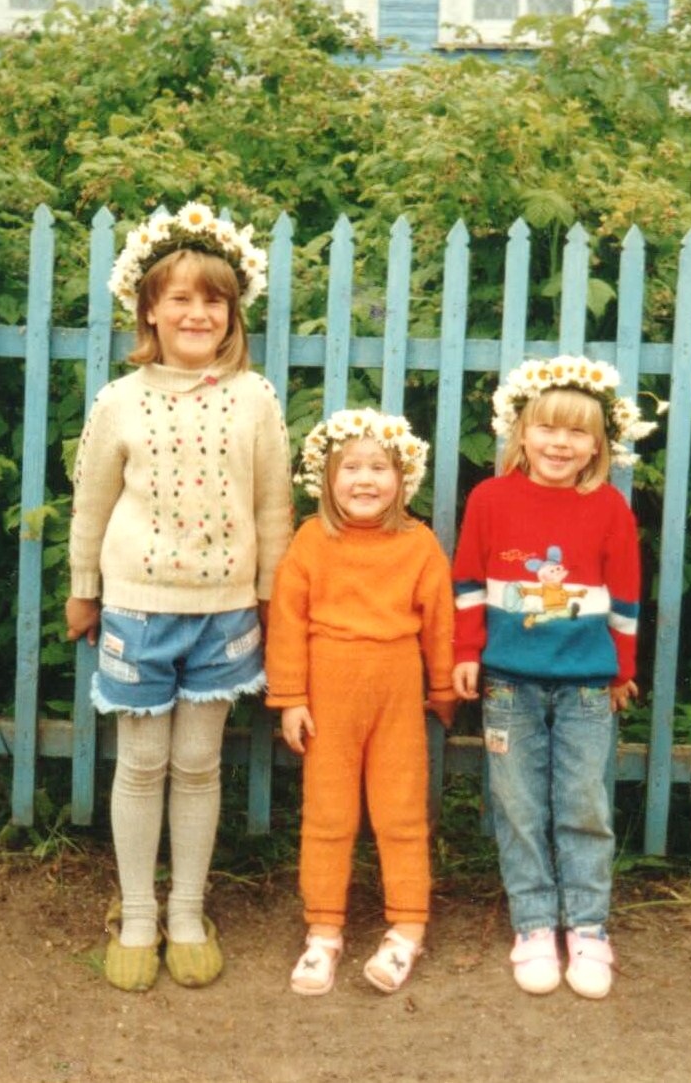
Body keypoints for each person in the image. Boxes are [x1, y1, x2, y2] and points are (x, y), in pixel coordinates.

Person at [66, 201, 293, 992]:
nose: (198, 313)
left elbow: (273, 505)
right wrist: (84, 589)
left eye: (214, 300)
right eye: (181, 298)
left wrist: (269, 596)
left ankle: (188, 910)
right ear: (149, 310)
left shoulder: (255, 397)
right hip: (136, 611)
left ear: (233, 312)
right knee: (140, 763)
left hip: (223, 616)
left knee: (197, 765)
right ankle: (137, 912)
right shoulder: (119, 400)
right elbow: (91, 503)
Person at [450, 356, 659, 1000]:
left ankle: (588, 926)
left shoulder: (610, 508)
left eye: (577, 432)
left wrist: (622, 671)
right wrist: (467, 651)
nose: (560, 444)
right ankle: (535, 924)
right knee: (517, 806)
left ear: (599, 445)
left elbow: (626, 598)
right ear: (521, 432)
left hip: (587, 686)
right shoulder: (489, 500)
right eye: (547, 428)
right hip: (508, 683)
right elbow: (468, 583)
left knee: (584, 804)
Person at [264, 409, 456, 996]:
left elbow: (440, 621)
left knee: (401, 812)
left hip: (396, 691)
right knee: (328, 814)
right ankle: (323, 932)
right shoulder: (311, 540)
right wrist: (291, 697)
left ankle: (407, 929)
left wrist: (442, 688)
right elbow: (287, 621)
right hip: (328, 693)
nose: (365, 480)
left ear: (403, 478)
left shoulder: (418, 544)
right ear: (327, 477)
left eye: (379, 468)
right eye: (351, 468)